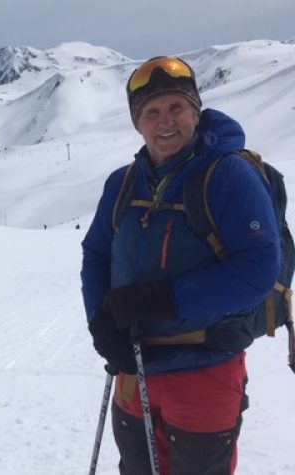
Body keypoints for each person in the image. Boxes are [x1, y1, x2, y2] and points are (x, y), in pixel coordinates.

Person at [81, 56, 280, 474]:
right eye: (151, 112)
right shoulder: (122, 183)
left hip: (205, 368)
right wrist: (101, 319)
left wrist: (162, 300)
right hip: (133, 368)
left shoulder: (228, 175)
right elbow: (97, 254)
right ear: (138, 123)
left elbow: (258, 269)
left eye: (176, 107)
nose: (164, 121)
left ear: (196, 110)